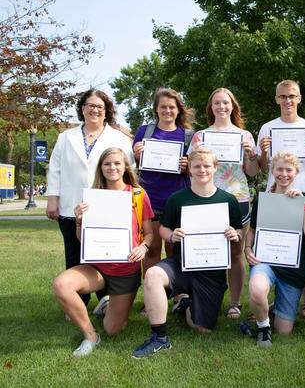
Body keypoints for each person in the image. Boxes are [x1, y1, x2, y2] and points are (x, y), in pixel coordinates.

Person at [131, 148, 242, 359]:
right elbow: (163, 228)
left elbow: (238, 230)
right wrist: (172, 236)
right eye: (197, 166)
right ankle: (160, 337)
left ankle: (186, 305)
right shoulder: (177, 198)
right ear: (189, 169)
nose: (202, 170)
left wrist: (233, 234)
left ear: (215, 168)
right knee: (153, 275)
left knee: (203, 328)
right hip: (181, 263)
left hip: (211, 270)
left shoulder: (228, 200)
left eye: (207, 166)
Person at [53, 147, 153, 357]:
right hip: (96, 268)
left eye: (117, 163)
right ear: (101, 168)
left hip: (125, 270)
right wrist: (79, 221)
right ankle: (90, 335)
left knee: (113, 329)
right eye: (107, 164)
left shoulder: (137, 194)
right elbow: (82, 239)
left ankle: (107, 304)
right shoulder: (92, 196)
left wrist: (142, 248)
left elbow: (149, 235)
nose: (112, 168)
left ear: (125, 166)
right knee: (61, 284)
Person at [47, 89, 135, 307]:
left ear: (107, 112)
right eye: (90, 105)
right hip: (71, 205)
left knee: (105, 253)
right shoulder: (66, 137)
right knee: (74, 253)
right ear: (82, 108)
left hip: (108, 207)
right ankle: (77, 300)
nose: (95, 110)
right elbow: (55, 169)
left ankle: (105, 298)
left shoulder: (118, 138)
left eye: (100, 107)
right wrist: (52, 199)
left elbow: (129, 168)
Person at [257, 80, 305, 318]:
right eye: (283, 96)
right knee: (270, 248)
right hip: (275, 199)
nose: (288, 101)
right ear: (277, 99)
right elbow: (261, 166)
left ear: (299, 99)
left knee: (304, 253)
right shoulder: (267, 128)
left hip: (303, 199)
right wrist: (264, 152)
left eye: (292, 96)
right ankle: (265, 302)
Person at [189, 88, 259, 320]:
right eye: (217, 103)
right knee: (205, 248)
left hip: (237, 198)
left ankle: (236, 303)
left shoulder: (245, 135)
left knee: (236, 252)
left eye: (225, 103)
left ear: (232, 106)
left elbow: (251, 172)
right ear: (211, 107)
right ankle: (205, 297)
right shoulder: (200, 137)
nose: (221, 107)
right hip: (206, 199)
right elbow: (190, 170)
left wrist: (250, 155)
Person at [244, 151, 305, 347]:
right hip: (265, 261)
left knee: (284, 331)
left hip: (292, 268)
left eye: (288, 170)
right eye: (279, 169)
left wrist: (303, 206)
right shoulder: (263, 200)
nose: (283, 174)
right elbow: (252, 230)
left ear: (296, 172)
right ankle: (263, 327)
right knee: (258, 289)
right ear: (271, 170)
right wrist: (248, 248)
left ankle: (275, 307)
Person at [132, 88, 194, 276]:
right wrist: (136, 155)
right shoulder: (144, 131)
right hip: (150, 200)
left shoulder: (188, 135)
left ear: (178, 110)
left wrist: (187, 166)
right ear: (156, 109)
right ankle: (152, 297)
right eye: (163, 107)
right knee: (152, 249)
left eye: (172, 107)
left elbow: (198, 168)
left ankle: (177, 296)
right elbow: (135, 166)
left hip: (177, 200)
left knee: (174, 248)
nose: (168, 111)